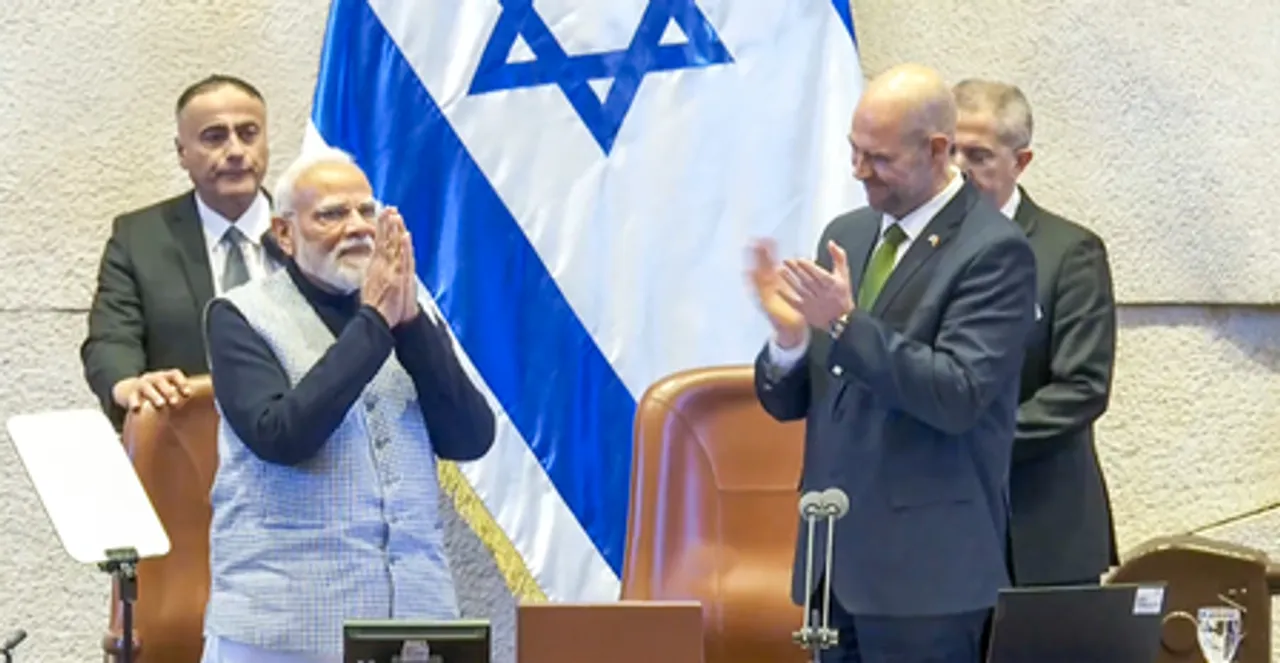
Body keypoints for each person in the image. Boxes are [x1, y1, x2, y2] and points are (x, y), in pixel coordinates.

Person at [747, 63, 1037, 663]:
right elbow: (794, 403)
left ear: (937, 150)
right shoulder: (848, 234)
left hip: (926, 578)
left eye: (878, 158)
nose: (859, 171)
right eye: (854, 152)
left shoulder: (994, 251)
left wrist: (847, 324)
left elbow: (956, 395)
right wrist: (789, 340)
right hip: (834, 566)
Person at [199, 148, 496, 663]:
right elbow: (282, 435)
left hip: (413, 624)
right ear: (285, 234)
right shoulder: (239, 316)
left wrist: (409, 327)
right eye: (333, 214)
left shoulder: (407, 313)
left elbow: (470, 438)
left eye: (367, 212)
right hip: (283, 629)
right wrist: (375, 323)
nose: (358, 227)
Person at [953, 78, 1119, 587]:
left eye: (978, 155)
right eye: (949, 150)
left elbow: (1081, 389)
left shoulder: (1068, 253)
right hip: (942, 528)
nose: (959, 168)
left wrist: (969, 443)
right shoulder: (920, 250)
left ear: (1020, 162)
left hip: (1039, 527)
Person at [81, 74, 279, 431]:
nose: (235, 151)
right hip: (190, 446)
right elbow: (111, 340)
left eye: (249, 133)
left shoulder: (310, 230)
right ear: (181, 152)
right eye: (214, 137)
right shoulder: (140, 238)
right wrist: (129, 386)